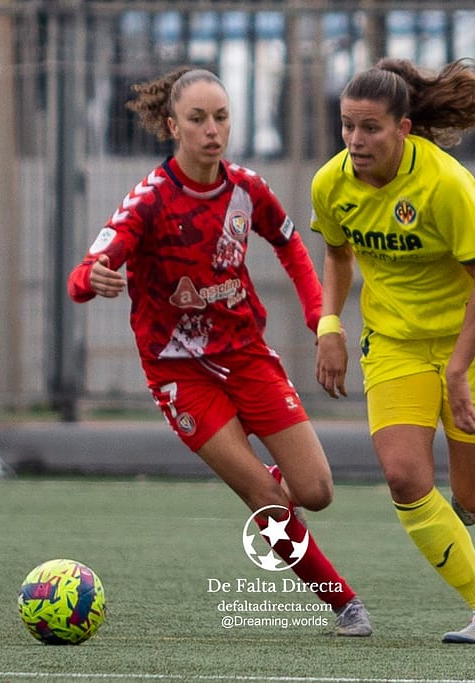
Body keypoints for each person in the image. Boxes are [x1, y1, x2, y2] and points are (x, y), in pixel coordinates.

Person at [67, 66, 371, 637]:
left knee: (316, 492)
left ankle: (272, 483)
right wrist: (92, 279)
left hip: (246, 356)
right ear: (172, 126)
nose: (212, 130)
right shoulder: (149, 202)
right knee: (263, 495)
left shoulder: (246, 190)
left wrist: (321, 321)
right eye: (198, 119)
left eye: (221, 117)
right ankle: (344, 605)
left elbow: (291, 247)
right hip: (179, 375)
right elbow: (84, 273)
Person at [311, 57, 475, 644]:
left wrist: (457, 369)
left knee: (473, 497)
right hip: (395, 343)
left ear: (403, 128)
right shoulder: (330, 184)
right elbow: (337, 254)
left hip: (474, 342)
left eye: (370, 127)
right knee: (404, 478)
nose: (355, 140)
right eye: (347, 125)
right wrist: (330, 324)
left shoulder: (447, 184)